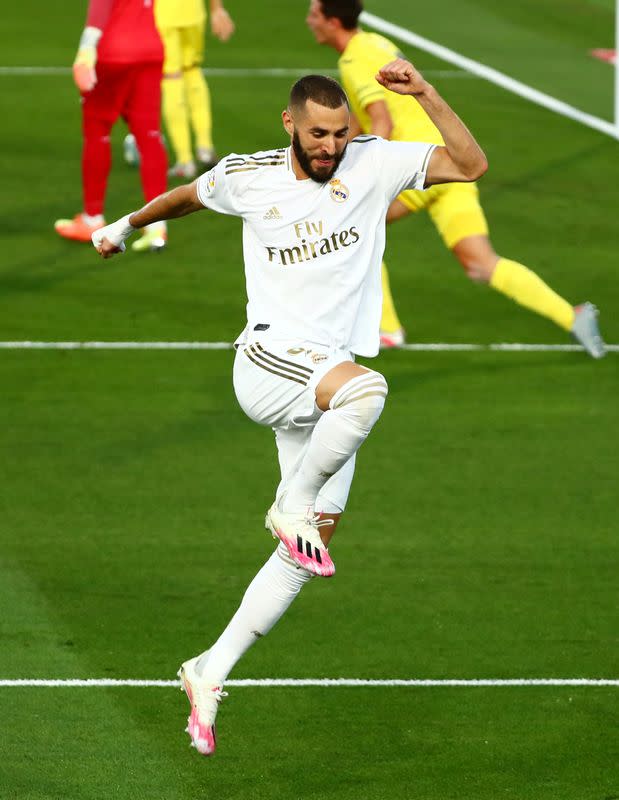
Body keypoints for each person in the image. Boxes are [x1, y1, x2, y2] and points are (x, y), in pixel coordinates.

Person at [92, 60, 487, 755]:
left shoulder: (375, 162)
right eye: (316, 133)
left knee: (308, 554)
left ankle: (207, 672)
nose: (329, 146)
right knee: (368, 390)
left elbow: (469, 163)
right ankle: (289, 505)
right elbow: (187, 196)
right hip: (270, 361)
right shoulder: (251, 175)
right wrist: (123, 225)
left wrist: (424, 92)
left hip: (319, 390)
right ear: (290, 125)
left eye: (338, 133)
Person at [306, 0, 606, 358]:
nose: (309, 20)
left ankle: (386, 328)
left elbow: (380, 119)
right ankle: (571, 316)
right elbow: (362, 119)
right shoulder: (373, 42)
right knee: (481, 263)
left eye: (313, 14)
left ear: (332, 21)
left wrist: (361, 173)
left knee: (352, 223)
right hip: (449, 164)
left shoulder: (354, 60)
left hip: (420, 168)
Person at [55, 0, 169, 253]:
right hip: (150, 50)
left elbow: (100, 9)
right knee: (149, 136)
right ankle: (156, 226)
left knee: (97, 134)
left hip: (113, 53)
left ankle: (92, 218)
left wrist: (85, 52)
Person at [156, 0, 235, 179]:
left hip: (163, 14)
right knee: (192, 70)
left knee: (171, 78)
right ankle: (205, 147)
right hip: (193, 13)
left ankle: (185, 160)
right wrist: (217, 9)